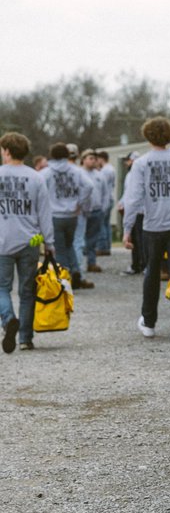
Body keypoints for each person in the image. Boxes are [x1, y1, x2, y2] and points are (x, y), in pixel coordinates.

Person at [122, 116, 170, 344]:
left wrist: (127, 228)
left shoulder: (141, 163)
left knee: (152, 273)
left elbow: (133, 199)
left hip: (152, 226)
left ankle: (149, 322)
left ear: (147, 136)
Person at [0, 132, 55, 353]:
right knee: (27, 290)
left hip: (1, 240)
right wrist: (49, 243)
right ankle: (25, 338)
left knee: (1, 287)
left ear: (7, 151)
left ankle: (8, 319)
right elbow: (44, 214)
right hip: (30, 241)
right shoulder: (36, 177)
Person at [41, 143, 95, 289]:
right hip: (72, 214)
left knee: (59, 248)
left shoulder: (46, 172)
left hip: (54, 214)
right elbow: (89, 186)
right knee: (69, 244)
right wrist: (79, 202)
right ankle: (76, 270)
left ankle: (64, 276)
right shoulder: (76, 171)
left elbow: (39, 189)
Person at [80, 150, 106, 274]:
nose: (93, 161)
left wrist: (103, 207)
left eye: (94, 159)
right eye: (90, 158)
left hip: (96, 210)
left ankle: (91, 262)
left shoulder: (100, 175)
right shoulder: (79, 173)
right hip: (81, 211)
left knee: (93, 239)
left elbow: (105, 193)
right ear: (83, 159)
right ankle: (78, 263)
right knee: (79, 239)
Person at [95, 151, 116, 255]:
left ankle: (102, 247)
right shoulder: (111, 168)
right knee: (106, 224)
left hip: (106, 199)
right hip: (111, 198)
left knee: (101, 224)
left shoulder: (105, 171)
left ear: (101, 159)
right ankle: (107, 246)